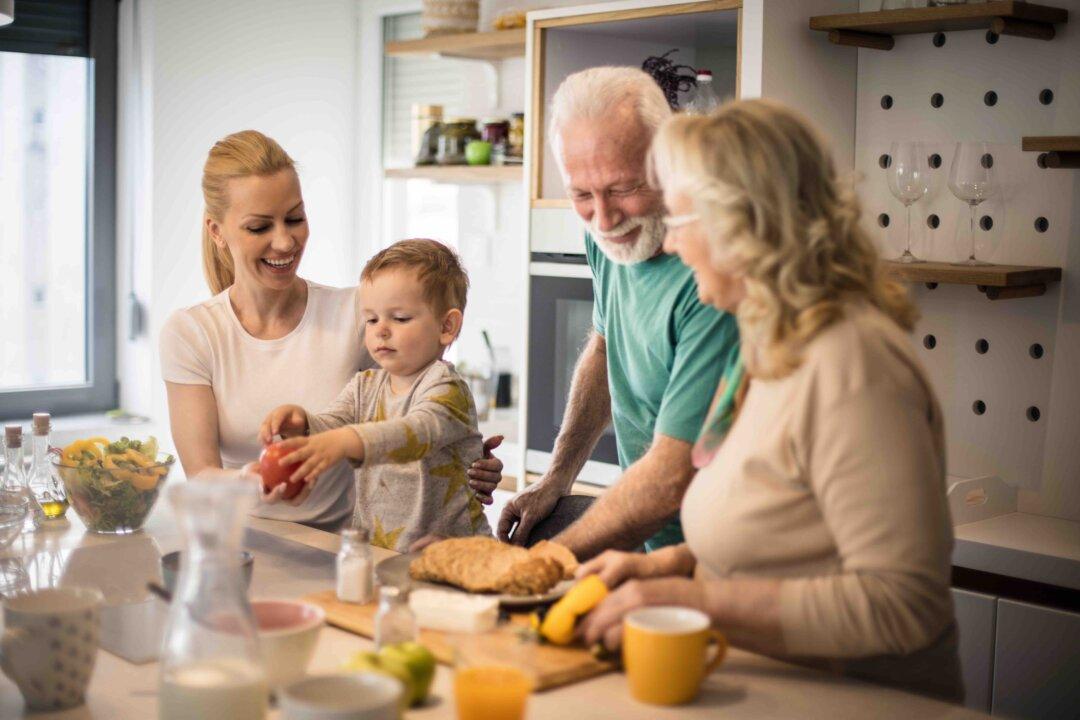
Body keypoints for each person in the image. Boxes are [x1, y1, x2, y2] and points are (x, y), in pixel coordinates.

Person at [576, 99, 962, 701]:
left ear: (740, 225)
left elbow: (904, 604)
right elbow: (779, 541)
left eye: (680, 221)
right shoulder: (767, 346)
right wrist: (664, 567)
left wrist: (694, 600)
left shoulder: (851, 361)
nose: (671, 246)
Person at [160, 130, 503, 531]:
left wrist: (464, 459)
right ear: (217, 231)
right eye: (259, 227)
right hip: (247, 540)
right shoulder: (192, 332)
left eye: (295, 219)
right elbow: (201, 475)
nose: (284, 241)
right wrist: (258, 479)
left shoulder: (364, 314)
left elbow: (421, 411)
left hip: (350, 546)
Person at [498, 67, 740, 558]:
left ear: (667, 158)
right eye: (581, 195)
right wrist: (557, 477)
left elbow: (671, 478)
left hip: (717, 553)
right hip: (648, 539)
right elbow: (606, 345)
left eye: (624, 188)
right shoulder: (607, 233)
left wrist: (544, 563)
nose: (604, 219)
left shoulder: (716, 275)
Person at [258, 240, 490, 551]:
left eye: (400, 318)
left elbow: (414, 433)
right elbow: (333, 423)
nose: (381, 329)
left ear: (447, 326)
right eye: (371, 319)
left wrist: (345, 441)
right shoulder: (364, 385)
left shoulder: (446, 388)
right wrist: (303, 424)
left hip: (455, 556)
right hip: (381, 553)